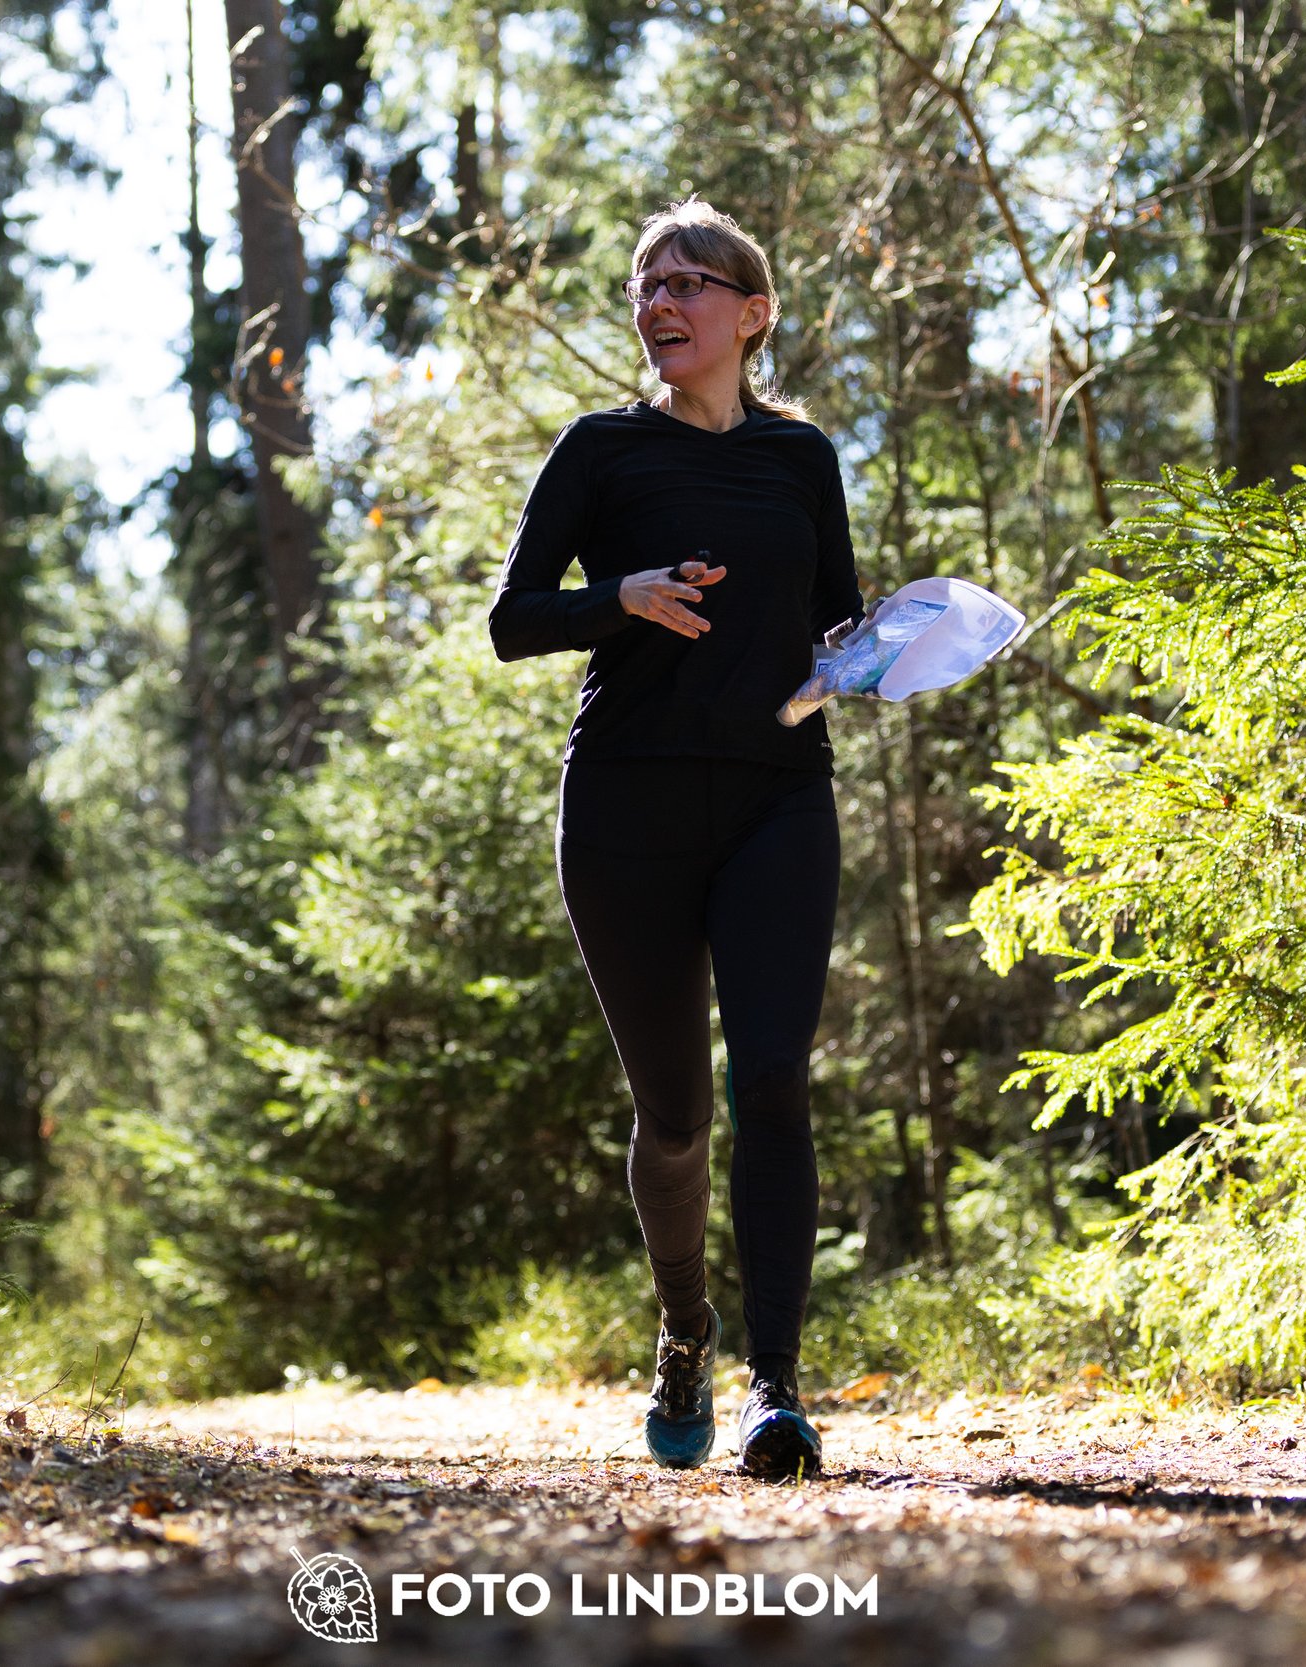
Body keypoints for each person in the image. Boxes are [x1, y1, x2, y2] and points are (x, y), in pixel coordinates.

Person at [487, 198, 863, 1481]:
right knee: (677, 1114)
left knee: (773, 1079)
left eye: (688, 282)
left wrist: (891, 650)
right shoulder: (600, 449)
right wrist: (622, 598)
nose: (660, 302)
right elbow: (515, 619)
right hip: (625, 808)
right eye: (647, 284)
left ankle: (777, 1386)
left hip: (776, 798)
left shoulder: (801, 458)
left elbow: (836, 625)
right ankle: (684, 1324)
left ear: (751, 315)